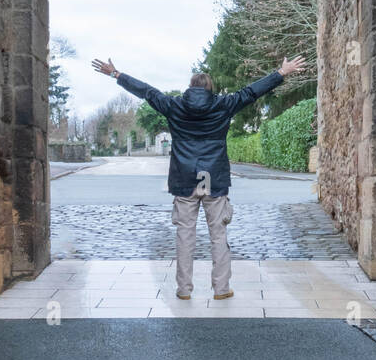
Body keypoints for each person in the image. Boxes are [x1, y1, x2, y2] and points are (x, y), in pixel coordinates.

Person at [91, 55, 307, 300]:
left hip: (185, 178)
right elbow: (251, 92)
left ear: (190, 87)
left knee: (185, 236)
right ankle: (221, 289)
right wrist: (281, 72)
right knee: (219, 235)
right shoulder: (223, 104)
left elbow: (147, 92)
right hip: (213, 176)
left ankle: (184, 290)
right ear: (209, 87)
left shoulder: (174, 105)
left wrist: (116, 74)